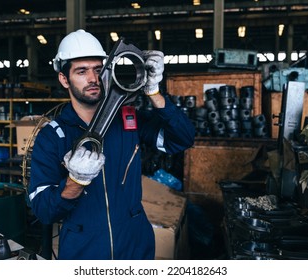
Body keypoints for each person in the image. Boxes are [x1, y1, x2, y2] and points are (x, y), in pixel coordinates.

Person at [28, 29, 195, 260]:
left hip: (135, 246)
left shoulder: (128, 119)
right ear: (64, 79)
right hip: (84, 251)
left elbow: (183, 139)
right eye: (81, 71)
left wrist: (154, 92)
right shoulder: (52, 136)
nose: (93, 79)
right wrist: (75, 181)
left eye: (98, 70)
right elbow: (44, 211)